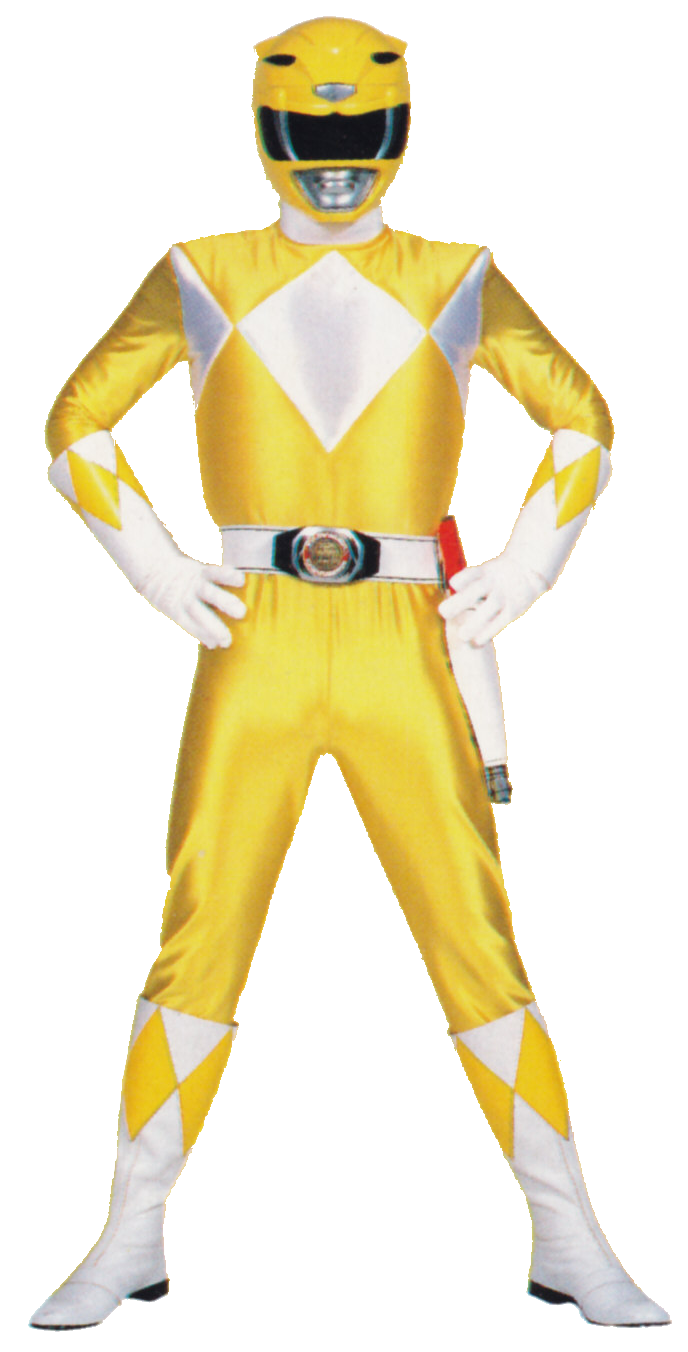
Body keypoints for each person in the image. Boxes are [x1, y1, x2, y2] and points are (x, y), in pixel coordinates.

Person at [31, 16, 668, 1331]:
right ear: (267, 127)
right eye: (309, 132)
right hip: (256, 634)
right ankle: (130, 1234)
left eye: (360, 131)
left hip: (400, 636)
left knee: (476, 936)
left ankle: (570, 1236)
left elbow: (586, 420)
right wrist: (155, 567)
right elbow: (74, 419)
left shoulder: (457, 274)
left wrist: (528, 565)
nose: (335, 160)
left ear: (400, 127)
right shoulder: (200, 270)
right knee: (199, 928)